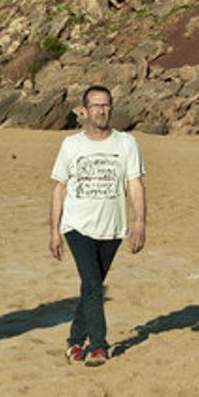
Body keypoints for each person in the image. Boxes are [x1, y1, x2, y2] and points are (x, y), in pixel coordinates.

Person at [49, 85, 147, 367]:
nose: (101, 111)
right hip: (76, 225)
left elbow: (135, 184)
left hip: (113, 227)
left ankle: (74, 340)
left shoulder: (126, 143)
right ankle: (99, 345)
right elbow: (60, 188)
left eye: (105, 105)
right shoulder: (71, 145)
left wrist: (139, 222)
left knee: (92, 286)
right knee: (92, 283)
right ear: (84, 110)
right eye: (95, 106)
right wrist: (54, 231)